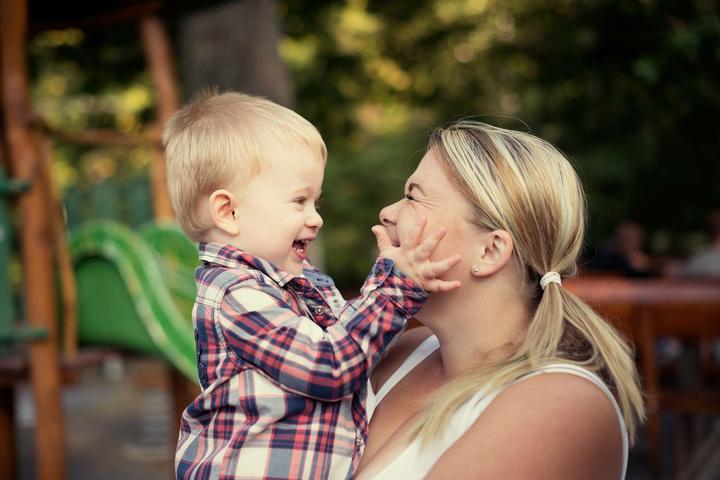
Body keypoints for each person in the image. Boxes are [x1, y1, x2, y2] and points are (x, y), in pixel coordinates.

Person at [162, 91, 461, 479]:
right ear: (229, 211)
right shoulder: (235, 294)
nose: (316, 218)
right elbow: (329, 365)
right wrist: (394, 289)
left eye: (315, 202)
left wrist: (393, 283)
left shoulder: (296, 283)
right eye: (299, 201)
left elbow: (353, 339)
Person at [357, 121, 646, 479]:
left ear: (490, 251)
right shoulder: (401, 350)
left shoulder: (558, 404)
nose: (387, 212)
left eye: (414, 197)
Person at [585, 220, 656, 277]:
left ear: (640, 240)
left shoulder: (652, 265)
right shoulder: (607, 260)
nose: (622, 242)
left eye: (628, 239)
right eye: (620, 238)